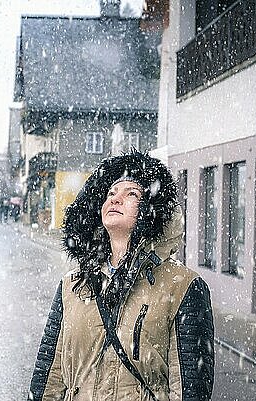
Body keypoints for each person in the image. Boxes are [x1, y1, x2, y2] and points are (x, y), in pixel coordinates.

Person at [28, 150, 214, 401]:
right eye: (111, 194)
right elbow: (49, 376)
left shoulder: (182, 287)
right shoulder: (72, 286)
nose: (115, 199)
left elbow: (190, 389)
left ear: (149, 210)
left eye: (131, 194)